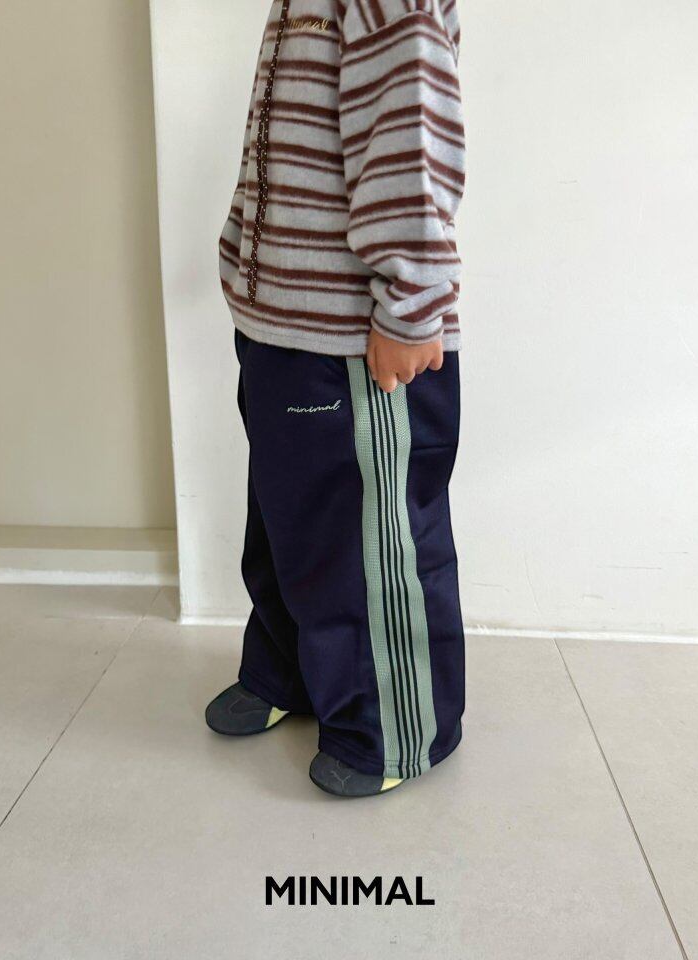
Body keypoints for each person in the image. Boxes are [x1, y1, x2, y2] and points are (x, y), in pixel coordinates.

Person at [207, 0, 466, 798]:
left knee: (368, 543)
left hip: (358, 340)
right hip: (282, 321)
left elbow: (408, 141)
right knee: (287, 521)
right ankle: (290, 671)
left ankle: (392, 731)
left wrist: (410, 308)